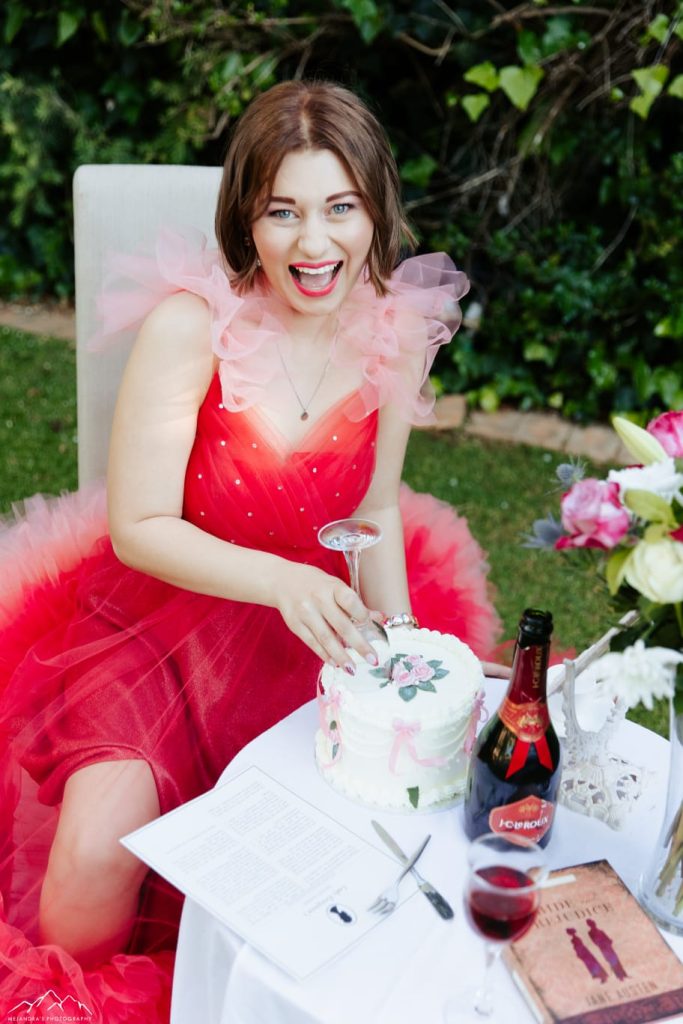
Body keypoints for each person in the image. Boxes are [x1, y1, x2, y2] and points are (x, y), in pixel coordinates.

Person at [0, 80, 500, 1021]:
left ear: (375, 210)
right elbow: (139, 526)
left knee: (322, 871)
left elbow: (375, 508)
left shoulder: (398, 333)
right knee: (92, 862)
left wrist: (398, 650)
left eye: (340, 208)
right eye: (283, 212)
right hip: (160, 624)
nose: (314, 244)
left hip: (308, 637)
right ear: (246, 219)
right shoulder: (192, 327)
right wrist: (278, 579)